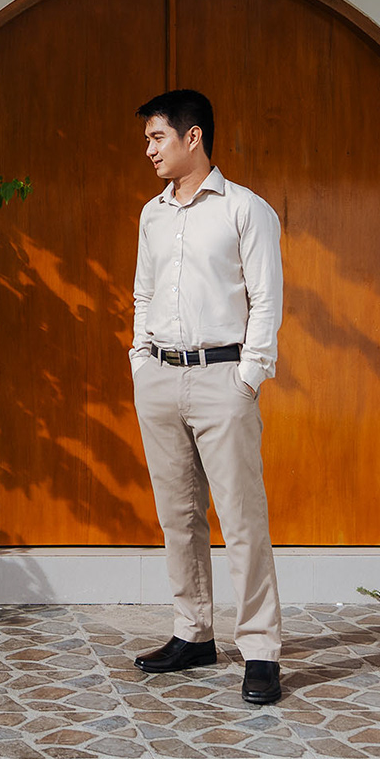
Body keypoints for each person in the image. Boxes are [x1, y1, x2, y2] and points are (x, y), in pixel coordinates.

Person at [127, 90, 286, 705]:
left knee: (242, 520)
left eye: (157, 138)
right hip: (160, 378)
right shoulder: (152, 215)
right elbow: (143, 294)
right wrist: (141, 361)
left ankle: (261, 650)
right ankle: (193, 633)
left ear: (192, 137)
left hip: (223, 378)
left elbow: (266, 299)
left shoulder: (246, 210)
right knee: (178, 517)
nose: (149, 150)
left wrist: (249, 377)